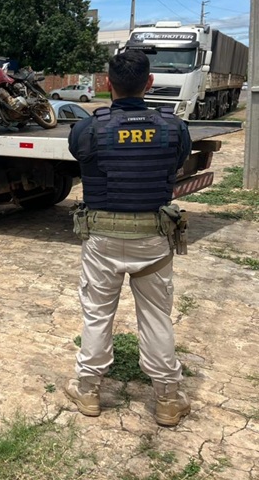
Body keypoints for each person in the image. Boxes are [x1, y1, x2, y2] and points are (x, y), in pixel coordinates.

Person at [65, 49, 192, 427]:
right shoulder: (173, 128)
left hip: (101, 238)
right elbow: (178, 161)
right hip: (153, 238)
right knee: (156, 317)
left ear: (107, 84)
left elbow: (79, 155)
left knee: (97, 314)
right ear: (149, 83)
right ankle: (168, 399)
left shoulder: (89, 128)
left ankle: (88, 391)